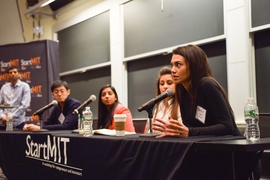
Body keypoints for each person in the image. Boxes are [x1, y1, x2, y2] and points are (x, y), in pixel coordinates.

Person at [153, 44, 242, 137]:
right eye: (172, 65)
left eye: (178, 65)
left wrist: (190, 132)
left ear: (193, 65)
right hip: (204, 145)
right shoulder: (182, 89)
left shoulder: (207, 85)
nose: (173, 70)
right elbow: (188, 125)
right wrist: (177, 131)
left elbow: (227, 127)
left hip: (230, 146)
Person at [145, 66, 181, 133]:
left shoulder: (181, 106)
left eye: (169, 83)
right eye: (162, 84)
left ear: (177, 85)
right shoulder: (158, 106)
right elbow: (149, 131)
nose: (165, 86)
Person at [0, 66, 31, 130]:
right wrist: (2, 116)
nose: (13, 74)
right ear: (8, 75)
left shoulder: (25, 86)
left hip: (19, 123)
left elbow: (25, 105)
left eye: (15, 72)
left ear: (19, 74)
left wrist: (10, 117)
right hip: (3, 123)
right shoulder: (4, 87)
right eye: (10, 72)